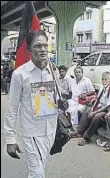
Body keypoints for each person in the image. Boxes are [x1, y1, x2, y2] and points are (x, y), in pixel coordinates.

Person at [4, 30, 68, 178]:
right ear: (29, 49)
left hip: (51, 131)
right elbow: (12, 109)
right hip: (31, 132)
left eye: (45, 45)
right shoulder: (20, 74)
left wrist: (63, 104)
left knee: (40, 169)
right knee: (37, 173)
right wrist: (10, 139)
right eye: (38, 46)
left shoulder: (53, 70)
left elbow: (57, 100)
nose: (43, 49)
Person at [70, 72, 110, 145]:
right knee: (88, 110)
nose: (104, 81)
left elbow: (107, 106)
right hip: (101, 106)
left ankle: (86, 137)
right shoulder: (102, 87)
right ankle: (79, 132)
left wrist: (94, 112)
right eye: (102, 79)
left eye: (106, 80)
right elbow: (98, 99)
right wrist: (93, 109)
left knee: (97, 116)